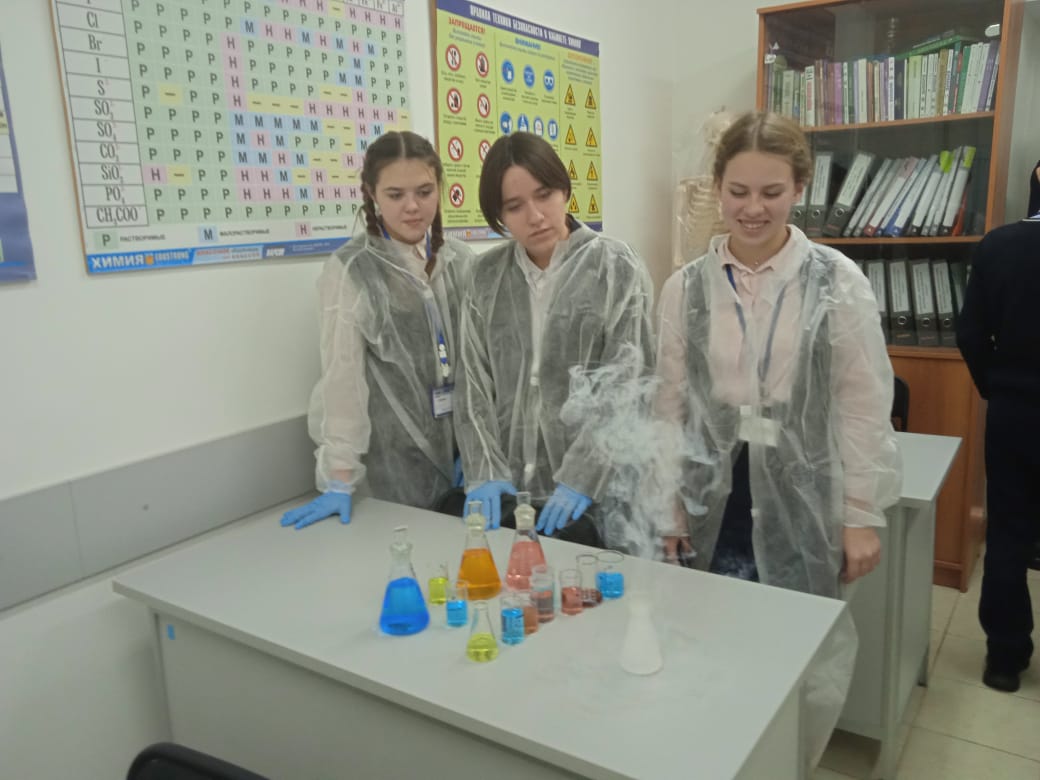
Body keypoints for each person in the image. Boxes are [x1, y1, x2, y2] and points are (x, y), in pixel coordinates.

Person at [656, 111, 901, 765]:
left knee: (791, 652)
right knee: (708, 642)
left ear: (800, 186)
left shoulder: (837, 281)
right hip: (713, 492)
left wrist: (859, 513)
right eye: (738, 191)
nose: (752, 208)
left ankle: (784, 765)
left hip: (802, 492)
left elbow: (862, 406)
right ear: (718, 186)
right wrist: (668, 504)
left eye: (771, 191)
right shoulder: (685, 288)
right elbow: (669, 403)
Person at [455, 131, 655, 542]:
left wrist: (584, 474)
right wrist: (484, 468)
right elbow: (472, 381)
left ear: (564, 190)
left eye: (544, 195)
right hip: (509, 495)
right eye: (514, 206)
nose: (535, 216)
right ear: (499, 215)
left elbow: (628, 380)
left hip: (596, 495)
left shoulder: (615, 266)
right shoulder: (485, 276)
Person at [281, 131, 474, 530]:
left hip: (465, 466)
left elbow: (481, 364)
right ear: (371, 194)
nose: (412, 207)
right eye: (395, 194)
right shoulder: (353, 270)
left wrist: (478, 450)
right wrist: (339, 478)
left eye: (424, 191)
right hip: (391, 469)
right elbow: (343, 379)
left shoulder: (459, 261)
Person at [956, 159, 1040, 693]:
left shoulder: (999, 245)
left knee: (1008, 531)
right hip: (1013, 402)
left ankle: (1005, 660)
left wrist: (996, 386)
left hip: (1015, 410)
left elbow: (970, 333)